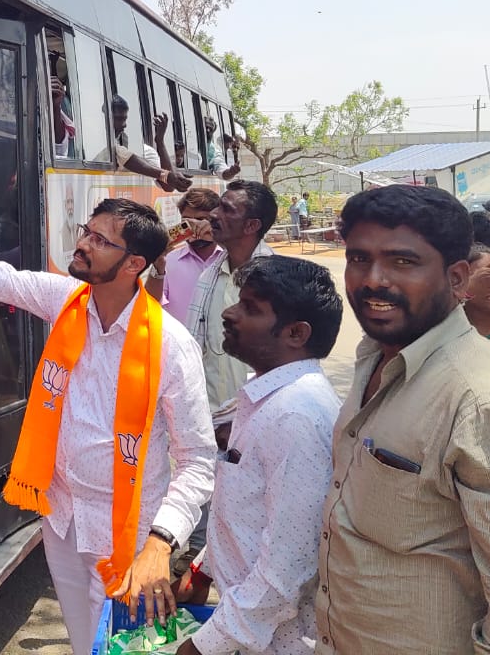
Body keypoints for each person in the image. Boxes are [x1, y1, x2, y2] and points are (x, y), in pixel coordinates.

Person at [0, 170, 214, 655]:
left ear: (134, 263)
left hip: (129, 534)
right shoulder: (65, 302)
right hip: (63, 519)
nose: (83, 244)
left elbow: (198, 460)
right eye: (86, 232)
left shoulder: (171, 346)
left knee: (119, 647)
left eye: (100, 240)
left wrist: (160, 543)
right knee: (84, 642)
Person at [318, 184, 490, 655]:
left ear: (457, 278)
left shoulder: (482, 402)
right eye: (358, 258)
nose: (373, 280)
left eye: (403, 261)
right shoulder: (374, 356)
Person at [174, 257, 342, 655]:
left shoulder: (296, 415)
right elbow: (254, 513)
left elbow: (288, 568)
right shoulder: (269, 397)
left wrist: (202, 646)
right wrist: (204, 568)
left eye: (250, 308)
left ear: (296, 333)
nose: (230, 313)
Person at [184, 180, 279, 412]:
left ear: (251, 225)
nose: (213, 215)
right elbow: (195, 349)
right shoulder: (210, 276)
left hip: (258, 415)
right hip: (210, 414)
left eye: (226, 209)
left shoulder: (276, 281)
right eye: (218, 206)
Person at [144, 188, 224, 326]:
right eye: (186, 222)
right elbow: (150, 304)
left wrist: (217, 235)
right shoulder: (169, 261)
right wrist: (158, 267)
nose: (193, 227)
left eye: (201, 220)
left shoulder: (230, 258)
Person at [111, 95, 191, 192]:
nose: (124, 125)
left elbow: (168, 184)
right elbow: (168, 184)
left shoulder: (144, 151)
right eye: (119, 119)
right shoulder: (116, 150)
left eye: (125, 119)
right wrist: (168, 175)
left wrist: (170, 174)